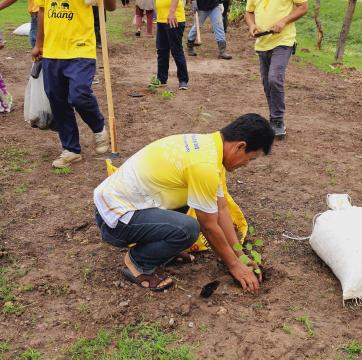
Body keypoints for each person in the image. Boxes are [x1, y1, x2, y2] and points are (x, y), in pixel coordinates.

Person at [93, 114, 275, 292]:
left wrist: (240, 256)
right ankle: (138, 263)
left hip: (126, 205)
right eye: (250, 159)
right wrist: (234, 265)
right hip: (114, 220)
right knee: (188, 229)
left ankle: (162, 250)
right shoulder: (204, 165)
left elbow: (222, 209)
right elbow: (209, 225)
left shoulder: (210, 148)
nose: (246, 164)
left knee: (198, 205)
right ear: (240, 146)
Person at [32, 0, 116, 168]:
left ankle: (99, 128)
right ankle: (71, 149)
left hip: (81, 49)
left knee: (79, 95)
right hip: (52, 51)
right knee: (58, 101)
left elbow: (110, 7)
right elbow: (42, 11)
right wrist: (39, 44)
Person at [245, 0, 307, 139]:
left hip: (283, 41)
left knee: (274, 78)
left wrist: (283, 22)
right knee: (267, 84)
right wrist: (252, 25)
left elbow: (303, 7)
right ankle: (274, 119)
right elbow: (249, 12)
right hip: (262, 43)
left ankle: (278, 120)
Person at [152, 0, 189, 89]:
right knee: (162, 50)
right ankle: (161, 79)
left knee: (176, 50)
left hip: (174, 18)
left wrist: (172, 12)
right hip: (161, 19)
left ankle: (183, 80)